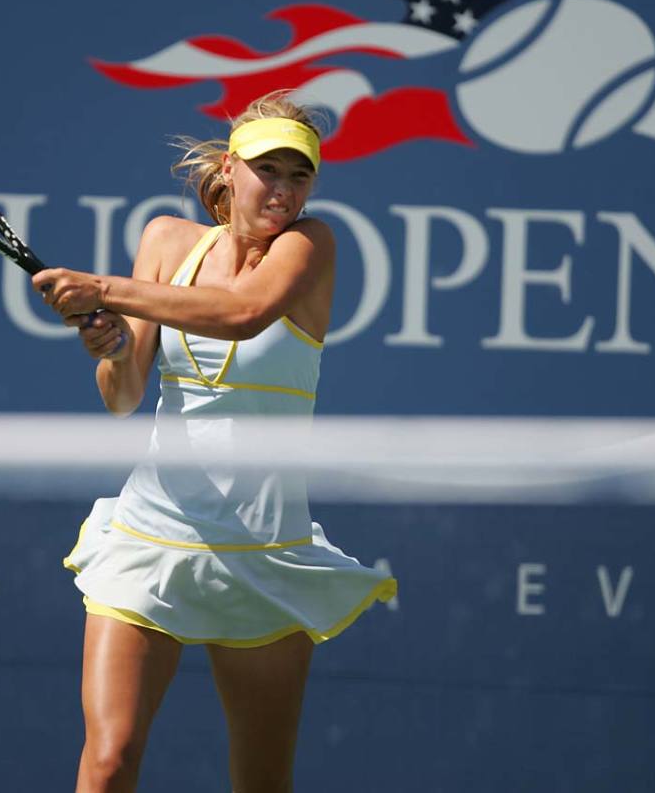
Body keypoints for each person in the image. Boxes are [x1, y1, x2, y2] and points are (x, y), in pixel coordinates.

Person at [32, 93, 397, 793]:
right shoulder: (168, 242)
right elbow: (123, 398)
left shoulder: (310, 246)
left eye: (300, 175)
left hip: (262, 552)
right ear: (229, 170)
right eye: (269, 170)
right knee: (108, 760)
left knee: (261, 782)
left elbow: (243, 313)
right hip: (151, 537)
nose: (285, 190)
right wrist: (108, 346)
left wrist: (107, 289)